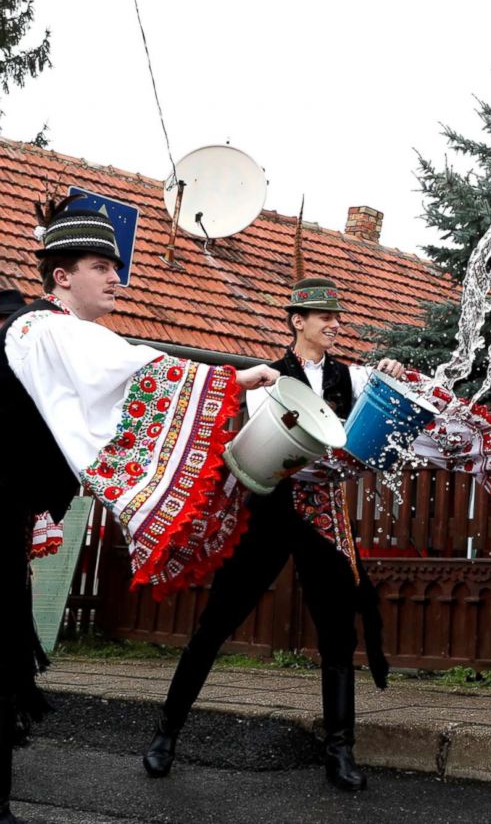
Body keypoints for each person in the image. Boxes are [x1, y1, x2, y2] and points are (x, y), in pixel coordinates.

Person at [3, 199, 279, 824]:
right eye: (101, 265)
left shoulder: (60, 335)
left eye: (116, 266)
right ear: (61, 275)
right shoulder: (41, 328)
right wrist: (232, 380)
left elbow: (108, 396)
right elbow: (129, 375)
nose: (116, 277)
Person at [143, 278, 410, 790]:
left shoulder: (351, 377)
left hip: (325, 517)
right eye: (322, 316)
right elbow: (254, 445)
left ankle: (340, 753)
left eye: (337, 316)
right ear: (297, 321)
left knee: (338, 632)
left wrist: (393, 373)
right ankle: (165, 735)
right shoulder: (266, 377)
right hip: (267, 511)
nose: (334, 323)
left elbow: (386, 407)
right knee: (216, 623)